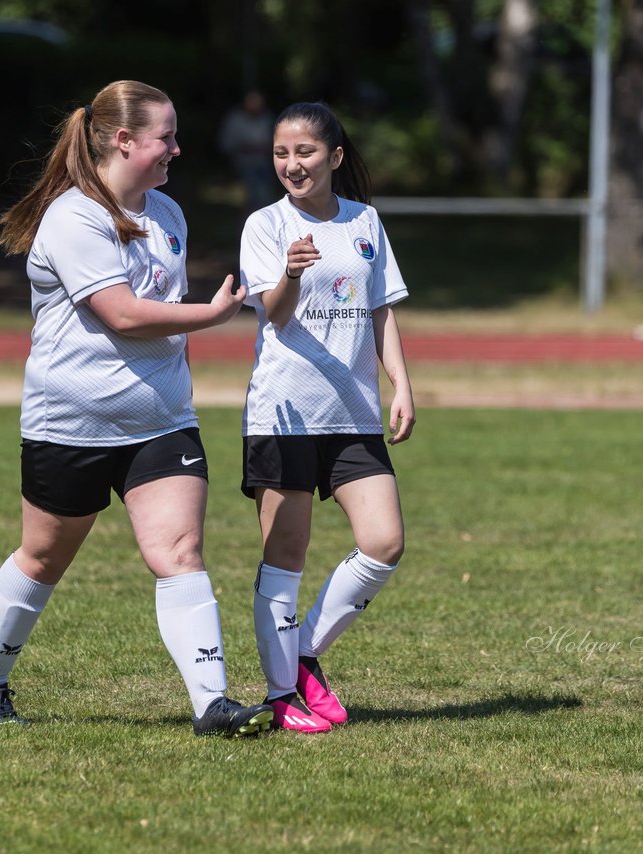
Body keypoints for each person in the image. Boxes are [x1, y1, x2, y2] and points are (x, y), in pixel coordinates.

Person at [0, 80, 273, 738]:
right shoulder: (73, 218)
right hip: (68, 427)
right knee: (44, 558)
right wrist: (214, 314)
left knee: (180, 551)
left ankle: (212, 703)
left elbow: (161, 319)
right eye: (165, 138)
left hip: (160, 424)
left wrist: (182, 379)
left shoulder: (169, 215)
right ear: (125, 140)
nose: (176, 149)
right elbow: (124, 314)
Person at [237, 102, 415, 733]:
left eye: (305, 152)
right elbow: (274, 314)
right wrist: (288, 272)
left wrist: (401, 383)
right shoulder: (264, 225)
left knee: (384, 542)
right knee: (286, 554)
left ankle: (303, 649)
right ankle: (283, 692)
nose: (292, 164)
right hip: (284, 411)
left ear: (334, 157)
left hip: (354, 414)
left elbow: (382, 310)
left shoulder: (365, 221)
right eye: (282, 153)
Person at [218, 90, 276, 213]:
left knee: (265, 196)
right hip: (243, 164)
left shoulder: (267, 118)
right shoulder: (235, 119)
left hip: (264, 162)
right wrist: (247, 147)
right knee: (251, 196)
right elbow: (227, 144)